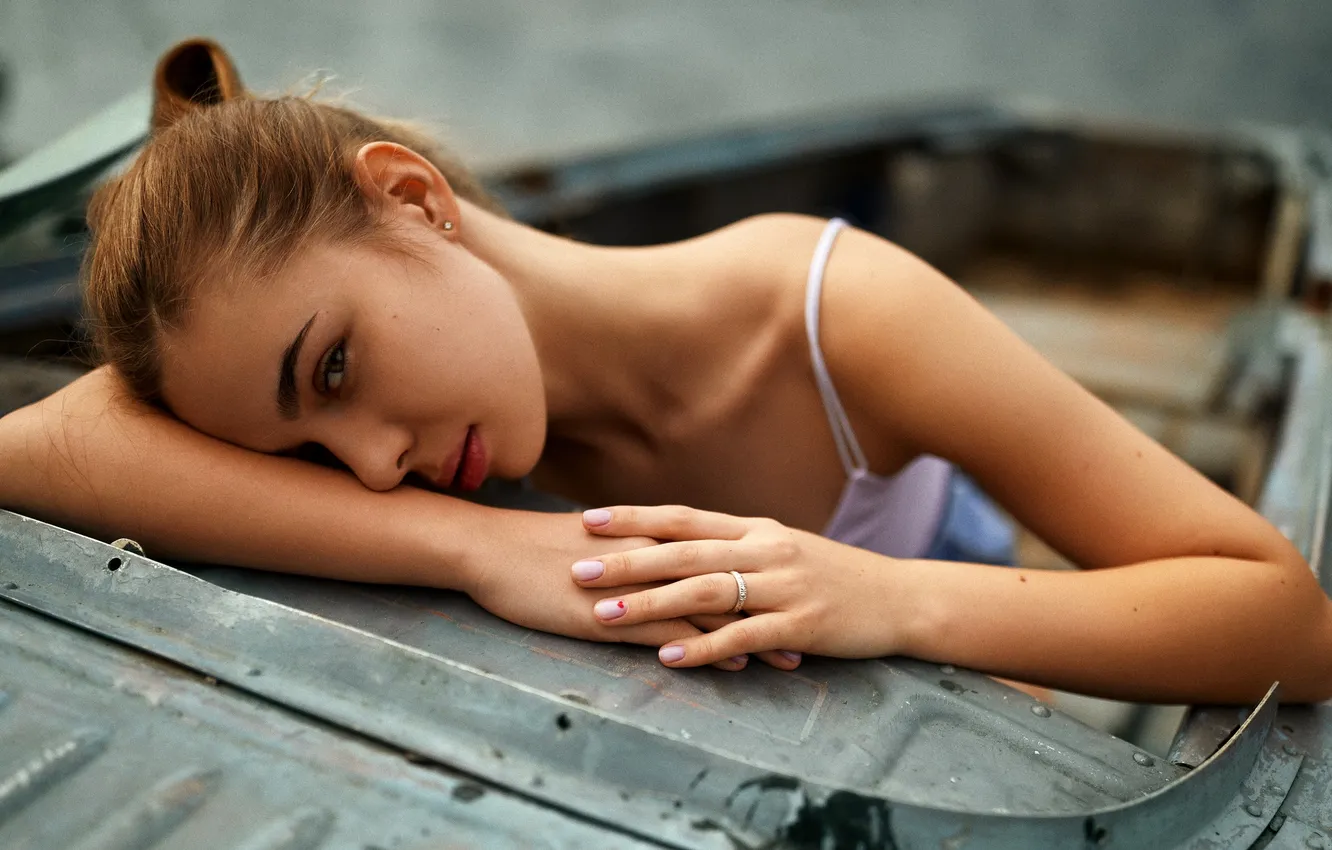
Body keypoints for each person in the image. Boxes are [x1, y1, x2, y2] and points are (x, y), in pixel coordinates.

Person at [0, 39, 1327, 704]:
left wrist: (885, 596)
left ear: (408, 197)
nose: (371, 464)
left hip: (964, 605)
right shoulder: (429, 472)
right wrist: (473, 551)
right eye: (304, 454)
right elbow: (53, 445)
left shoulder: (828, 314)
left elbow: (1287, 618)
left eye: (333, 367)